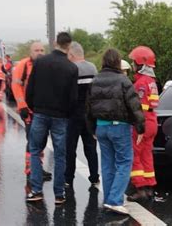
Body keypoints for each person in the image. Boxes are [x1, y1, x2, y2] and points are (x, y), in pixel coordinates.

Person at [86, 48, 144, 215]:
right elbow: (134, 106)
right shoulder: (123, 81)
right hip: (119, 126)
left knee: (107, 164)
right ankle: (114, 200)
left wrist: (92, 128)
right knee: (124, 162)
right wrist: (140, 127)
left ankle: (108, 200)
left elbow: (88, 108)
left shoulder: (95, 81)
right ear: (118, 62)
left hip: (101, 127)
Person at [25, 32, 78, 204]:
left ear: (55, 43)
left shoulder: (40, 62)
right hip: (60, 117)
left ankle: (37, 190)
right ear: (69, 46)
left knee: (35, 151)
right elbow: (73, 98)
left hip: (40, 113)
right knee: (60, 155)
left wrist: (34, 107)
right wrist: (67, 114)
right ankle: (59, 194)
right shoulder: (71, 68)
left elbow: (30, 88)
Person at [11, 42, 51, 180]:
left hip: (43, 110)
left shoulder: (46, 65)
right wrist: (22, 107)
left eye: (42, 50)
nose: (39, 52)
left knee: (42, 140)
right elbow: (16, 86)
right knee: (33, 140)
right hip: (28, 110)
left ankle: (37, 166)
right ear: (30, 52)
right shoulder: (24, 65)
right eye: (36, 50)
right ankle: (30, 169)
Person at [64, 42, 100, 189]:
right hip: (90, 114)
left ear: (71, 55)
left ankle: (68, 178)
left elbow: (66, 93)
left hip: (73, 115)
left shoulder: (70, 69)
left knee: (70, 148)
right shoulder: (92, 67)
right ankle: (94, 177)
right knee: (90, 147)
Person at [127, 46, 160, 202]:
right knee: (147, 154)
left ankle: (140, 188)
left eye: (134, 62)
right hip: (152, 121)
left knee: (135, 154)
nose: (132, 65)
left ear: (141, 64)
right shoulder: (152, 81)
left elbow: (138, 106)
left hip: (143, 122)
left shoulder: (141, 83)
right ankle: (149, 187)